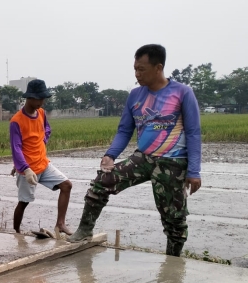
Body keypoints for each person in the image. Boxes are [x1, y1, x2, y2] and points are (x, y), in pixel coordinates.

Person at [67, 44, 202, 257]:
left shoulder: (182, 93)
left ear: (158, 68)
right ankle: (85, 229)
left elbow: (194, 133)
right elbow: (124, 130)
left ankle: (173, 258)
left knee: (173, 217)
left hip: (173, 162)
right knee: (103, 181)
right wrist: (110, 155)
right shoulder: (135, 95)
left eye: (142, 69)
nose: (137, 74)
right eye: (135, 69)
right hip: (144, 158)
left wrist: (194, 171)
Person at [10, 79, 73, 238]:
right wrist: (24, 168)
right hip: (28, 170)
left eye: (43, 98)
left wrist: (41, 143)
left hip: (43, 164)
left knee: (66, 185)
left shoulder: (42, 113)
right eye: (40, 98)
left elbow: (47, 129)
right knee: (24, 202)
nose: (42, 101)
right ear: (30, 98)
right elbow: (16, 148)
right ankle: (16, 232)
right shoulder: (16, 121)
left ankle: (60, 224)